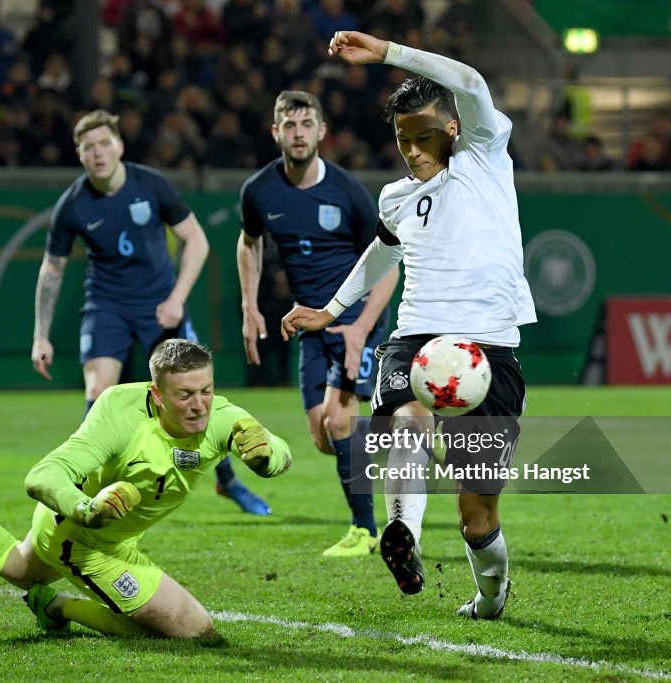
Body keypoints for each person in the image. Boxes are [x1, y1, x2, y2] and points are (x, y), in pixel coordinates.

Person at [282, 31, 536, 620]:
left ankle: (491, 598)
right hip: (417, 336)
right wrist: (331, 310)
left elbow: (470, 83)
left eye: (422, 137)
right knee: (407, 422)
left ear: (451, 130)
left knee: (479, 519)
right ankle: (403, 535)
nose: (412, 151)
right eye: (402, 140)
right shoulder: (396, 195)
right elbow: (382, 251)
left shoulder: (484, 155)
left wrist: (388, 53)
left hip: (489, 348)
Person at [0, 339, 292, 638]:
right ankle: (62, 604)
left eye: (205, 390)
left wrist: (268, 456)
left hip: (108, 536)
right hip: (83, 540)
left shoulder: (222, 414)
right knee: (194, 630)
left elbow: (279, 453)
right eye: (184, 395)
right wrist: (88, 509)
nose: (199, 405)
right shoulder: (120, 414)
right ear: (155, 394)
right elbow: (43, 477)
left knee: (20, 569)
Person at [31, 109, 270, 516]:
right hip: (106, 305)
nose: (98, 153)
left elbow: (196, 241)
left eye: (105, 143)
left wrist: (177, 297)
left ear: (119, 146)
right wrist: (41, 334)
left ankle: (227, 480)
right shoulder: (72, 204)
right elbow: (51, 270)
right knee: (98, 392)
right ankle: (89, 485)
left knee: (192, 394)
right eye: (89, 148)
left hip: (160, 304)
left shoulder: (151, 185)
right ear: (80, 155)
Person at [237, 90, 398, 557]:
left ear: (322, 131)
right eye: (289, 125)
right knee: (325, 437)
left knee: (339, 420)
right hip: (310, 324)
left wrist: (363, 327)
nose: (298, 133)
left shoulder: (347, 191)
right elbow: (248, 243)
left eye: (307, 124)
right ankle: (408, 438)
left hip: (356, 320)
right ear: (276, 132)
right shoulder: (260, 190)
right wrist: (250, 306)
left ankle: (367, 532)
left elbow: (389, 262)